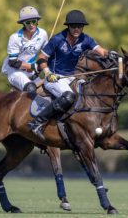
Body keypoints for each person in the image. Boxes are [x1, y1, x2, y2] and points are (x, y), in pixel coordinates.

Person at [28, 9, 118, 140]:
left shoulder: (85, 39)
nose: (77, 29)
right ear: (68, 26)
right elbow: (41, 58)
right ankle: (37, 123)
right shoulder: (57, 39)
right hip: (54, 77)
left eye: (79, 26)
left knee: (87, 96)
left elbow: (100, 51)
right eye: (73, 26)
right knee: (69, 97)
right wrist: (47, 73)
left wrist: (110, 53)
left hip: (71, 77)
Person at [1, 6, 48, 96]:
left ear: (37, 21)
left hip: (32, 72)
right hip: (15, 72)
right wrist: (32, 66)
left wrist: (45, 68)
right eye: (28, 22)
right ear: (23, 23)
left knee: (49, 88)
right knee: (31, 88)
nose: (31, 25)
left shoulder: (43, 34)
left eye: (33, 21)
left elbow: (46, 54)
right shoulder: (14, 38)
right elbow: (13, 62)